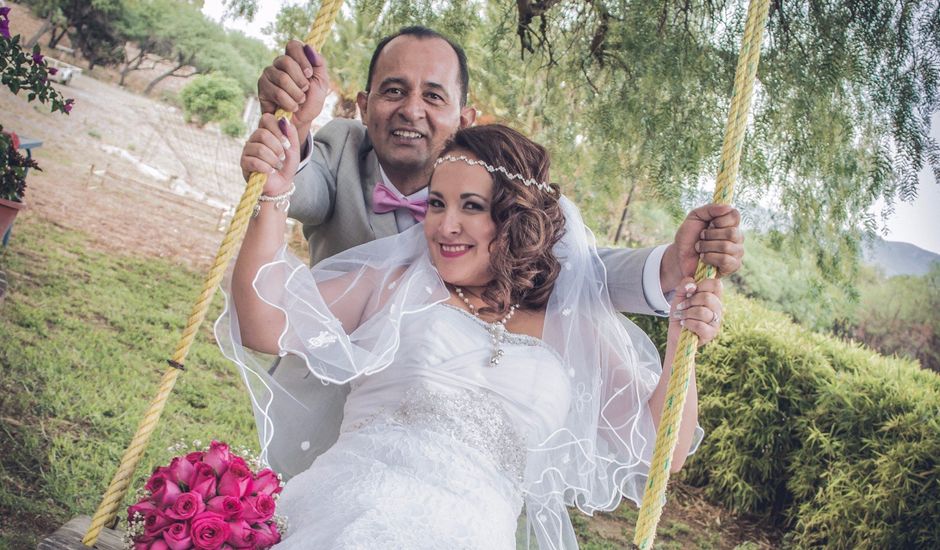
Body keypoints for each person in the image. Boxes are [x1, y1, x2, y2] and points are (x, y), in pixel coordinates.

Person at [218, 122, 723, 549]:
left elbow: (662, 452)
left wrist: (683, 337)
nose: (445, 226)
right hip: (350, 513)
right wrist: (272, 198)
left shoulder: (577, 325)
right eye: (437, 204)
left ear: (516, 219)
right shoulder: (397, 281)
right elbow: (263, 323)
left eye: (471, 207)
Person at [241, 26, 743, 317]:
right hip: (325, 403)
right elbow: (297, 192)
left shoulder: (501, 191)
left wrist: (673, 268)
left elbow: (584, 272)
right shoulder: (339, 146)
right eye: (394, 91)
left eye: (433, 96)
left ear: (465, 119)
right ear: (364, 104)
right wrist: (292, 132)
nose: (411, 109)